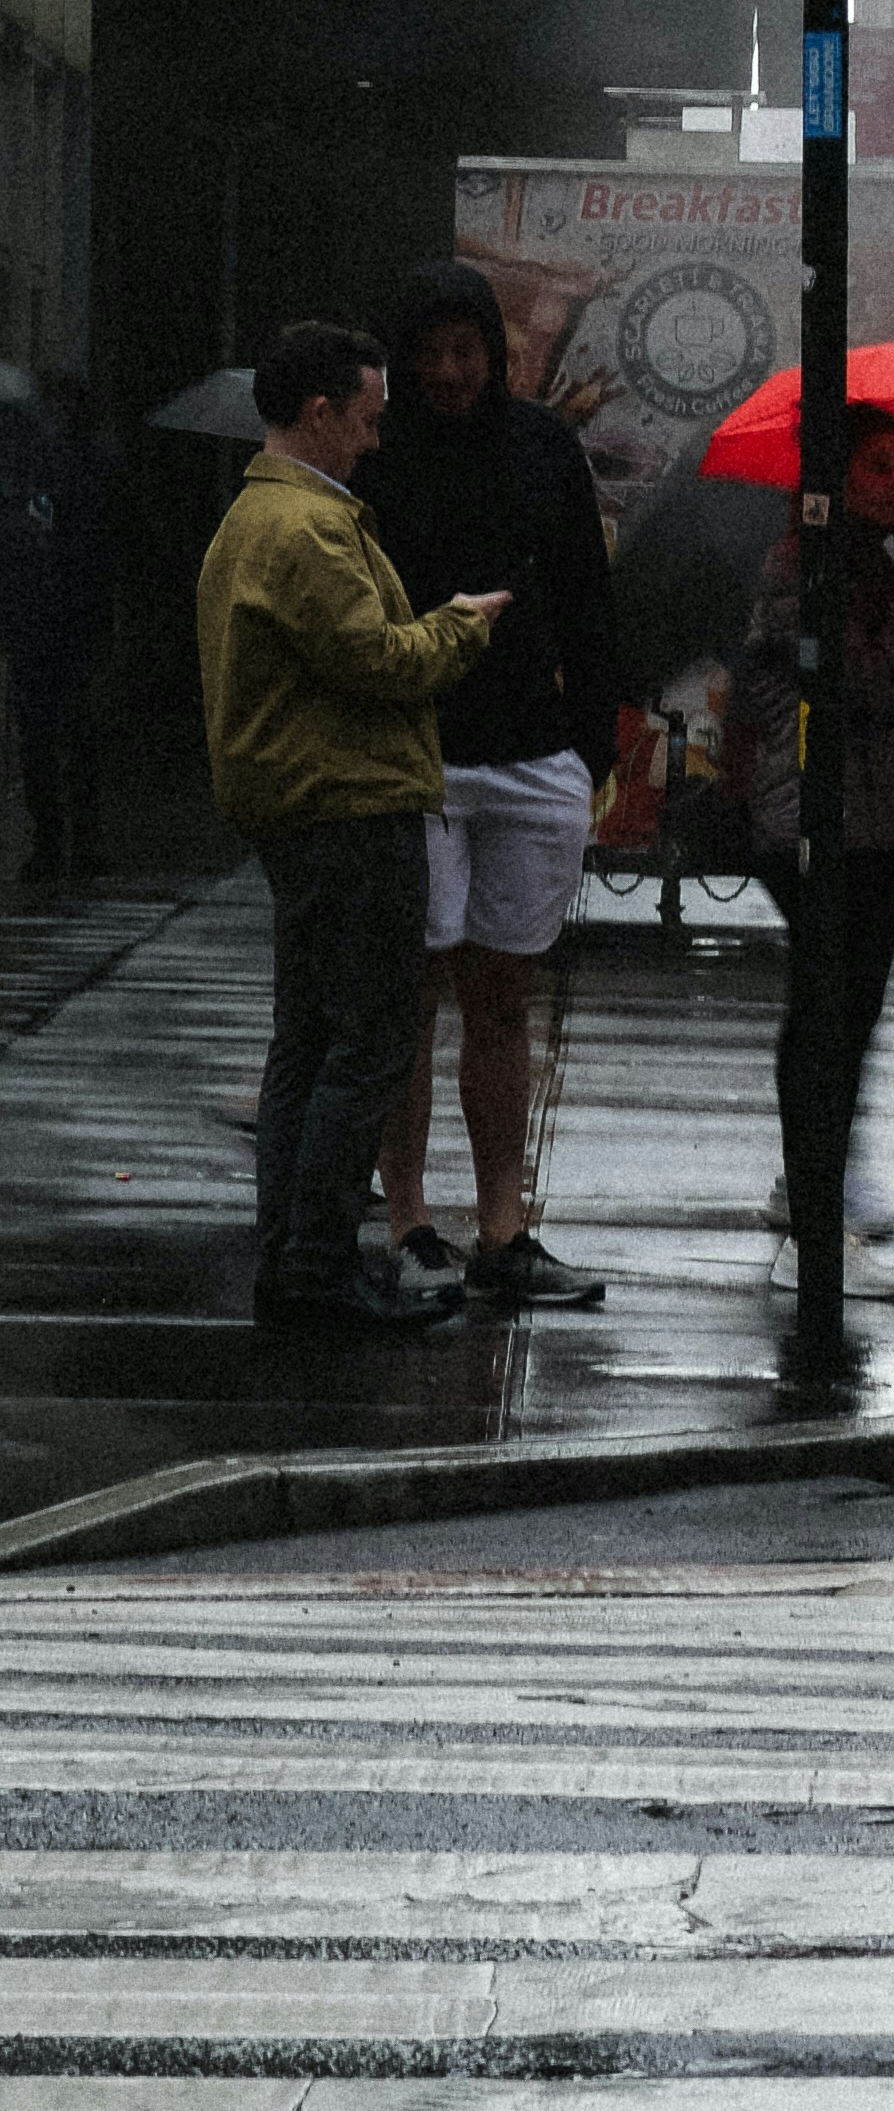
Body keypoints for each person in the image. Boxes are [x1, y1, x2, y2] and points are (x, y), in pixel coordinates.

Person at [197, 322, 508, 1331]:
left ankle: (295, 1250)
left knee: (308, 1039)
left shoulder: (257, 518)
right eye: (368, 419)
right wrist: (463, 622)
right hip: (351, 807)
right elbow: (380, 659)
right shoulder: (308, 531)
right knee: (364, 1045)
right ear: (321, 413)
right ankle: (317, 1264)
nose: (377, 439)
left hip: (302, 806)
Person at [356, 260, 623, 1314]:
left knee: (504, 998)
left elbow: (586, 599)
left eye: (465, 352)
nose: (448, 372)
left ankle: (502, 1228)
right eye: (430, 354)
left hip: (527, 755)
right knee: (410, 1001)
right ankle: (410, 1222)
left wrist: (588, 747)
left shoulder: (544, 448)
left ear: (494, 357)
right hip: (413, 759)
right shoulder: (375, 455)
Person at [732, 403, 894, 1247]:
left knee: (855, 1001)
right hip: (817, 815)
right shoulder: (802, 566)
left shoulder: (881, 557)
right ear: (832, 477)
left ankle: (813, 1176)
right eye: (878, 464)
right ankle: (814, 1195)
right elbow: (866, 685)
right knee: (829, 1003)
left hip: (875, 816)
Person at [0, 369, 112, 885]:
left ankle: (67, 843)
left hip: (59, 614)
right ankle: (69, 842)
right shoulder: (63, 465)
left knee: (64, 734)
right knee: (60, 735)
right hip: (59, 615)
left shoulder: (53, 467)